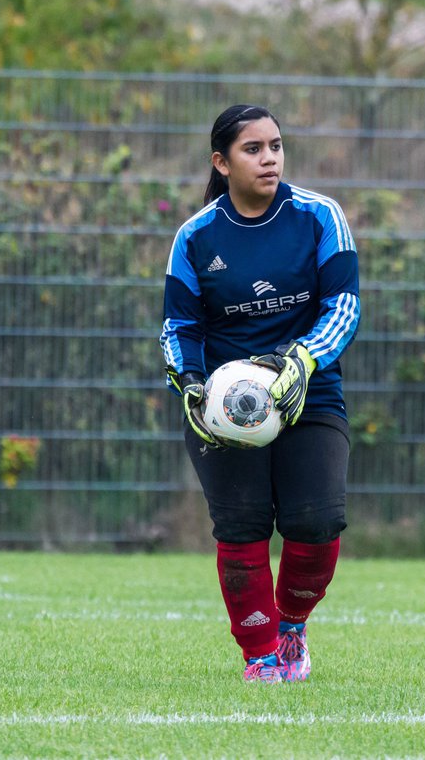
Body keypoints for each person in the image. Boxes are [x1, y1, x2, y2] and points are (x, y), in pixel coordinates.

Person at [160, 104, 361, 683]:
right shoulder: (196, 237)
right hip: (227, 407)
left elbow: (343, 308)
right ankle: (261, 657)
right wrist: (193, 387)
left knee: (317, 523)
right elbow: (180, 328)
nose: (269, 157)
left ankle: (292, 622)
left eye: (275, 145)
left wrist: (303, 359)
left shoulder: (320, 216)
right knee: (242, 525)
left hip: (308, 392)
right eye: (253, 149)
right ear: (221, 163)